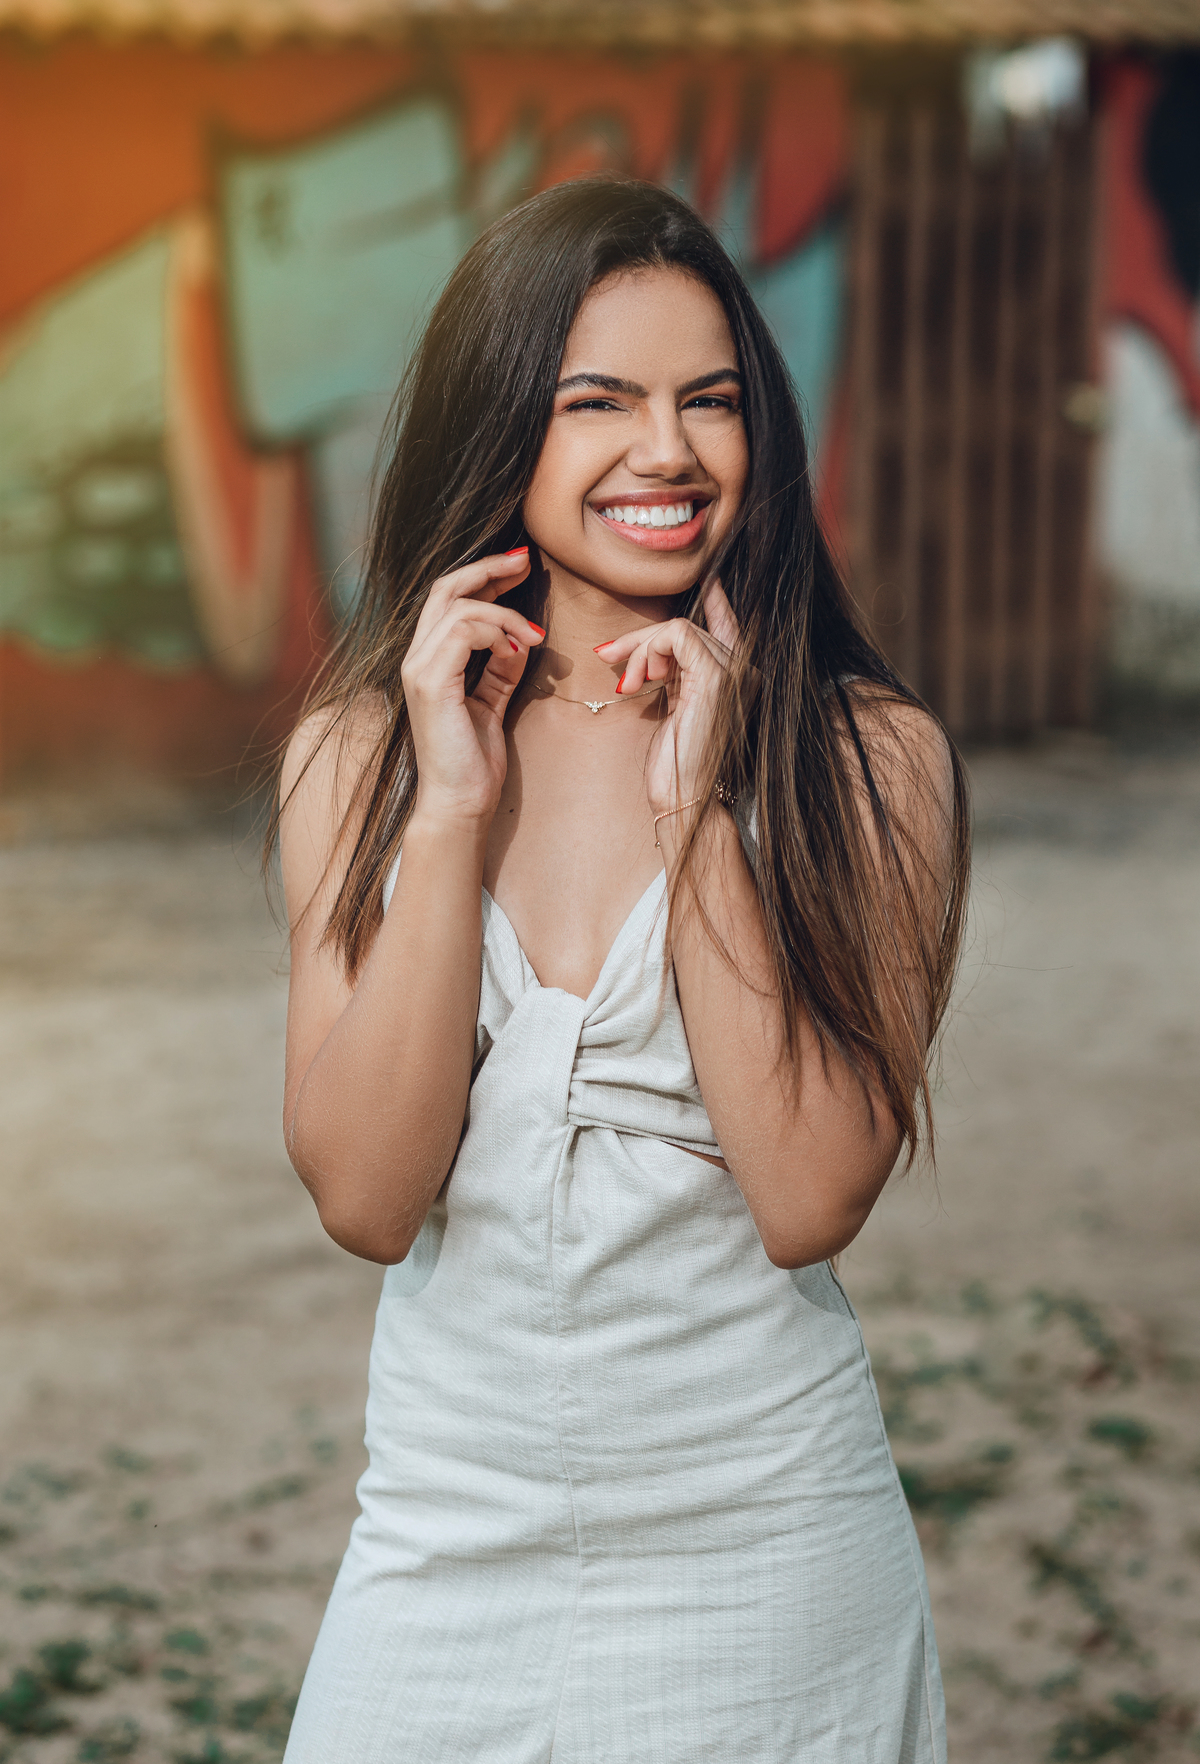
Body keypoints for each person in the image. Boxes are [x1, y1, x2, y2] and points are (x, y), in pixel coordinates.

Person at [273, 177, 970, 1763]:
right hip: (447, 1543)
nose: (668, 451)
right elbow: (368, 1199)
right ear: (498, 421)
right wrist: (451, 811)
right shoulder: (361, 758)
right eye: (598, 401)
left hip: (771, 1551)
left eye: (709, 401)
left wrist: (698, 811)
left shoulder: (869, 759)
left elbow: (810, 1196)